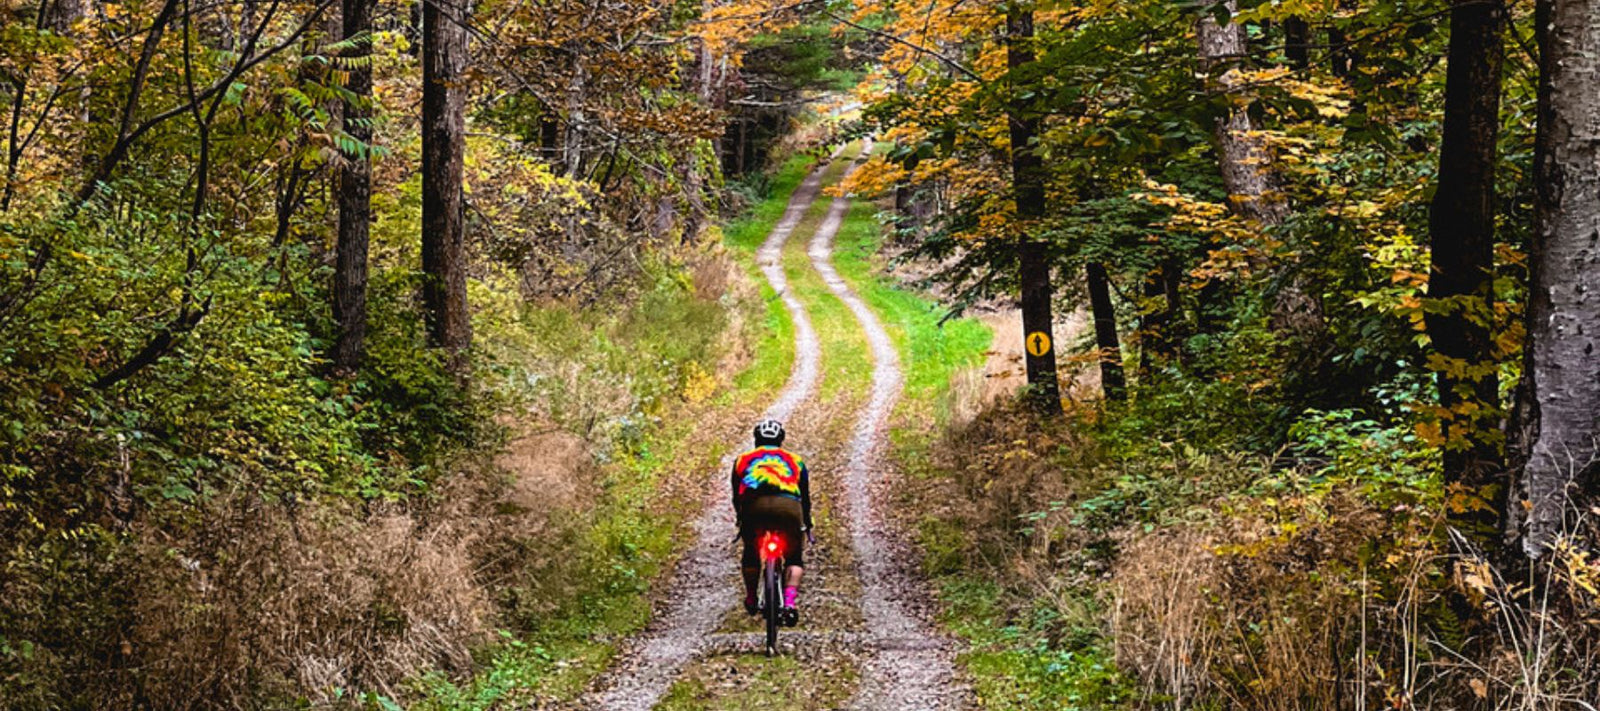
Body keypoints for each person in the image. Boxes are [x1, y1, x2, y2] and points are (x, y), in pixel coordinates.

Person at [731, 418, 812, 626]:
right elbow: (805, 497)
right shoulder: (795, 460)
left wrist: (741, 520)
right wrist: (807, 523)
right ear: (781, 440)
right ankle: (790, 603)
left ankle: (751, 598)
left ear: (756, 439)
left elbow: (736, 495)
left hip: (754, 508)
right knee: (794, 559)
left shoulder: (743, 459)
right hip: (789, 509)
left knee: (751, 554)